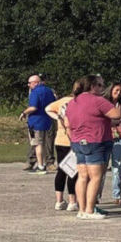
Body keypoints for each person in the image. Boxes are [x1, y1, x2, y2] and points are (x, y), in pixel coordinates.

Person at [66, 75, 121, 220]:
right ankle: (90, 210)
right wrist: (115, 105)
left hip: (77, 141)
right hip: (95, 141)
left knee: (82, 176)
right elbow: (117, 114)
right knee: (96, 177)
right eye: (100, 85)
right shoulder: (98, 100)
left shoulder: (73, 102)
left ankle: (82, 209)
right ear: (92, 86)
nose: (102, 89)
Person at [45, 82, 79, 211]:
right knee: (73, 171)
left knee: (61, 170)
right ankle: (72, 201)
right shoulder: (78, 103)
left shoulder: (63, 101)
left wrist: (58, 117)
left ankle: (59, 200)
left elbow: (48, 109)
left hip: (60, 140)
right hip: (73, 140)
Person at [20, 74, 57, 175]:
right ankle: (44, 163)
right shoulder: (49, 91)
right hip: (47, 120)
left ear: (35, 83)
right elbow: (54, 104)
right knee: (45, 143)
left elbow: (33, 107)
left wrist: (24, 113)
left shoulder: (35, 92)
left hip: (36, 121)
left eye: (30, 83)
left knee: (38, 144)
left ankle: (41, 166)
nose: (28, 85)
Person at [103, 82, 121, 205]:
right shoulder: (103, 103)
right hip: (105, 137)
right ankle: (96, 195)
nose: (118, 93)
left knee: (117, 167)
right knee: (101, 168)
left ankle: (117, 195)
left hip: (119, 136)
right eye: (117, 90)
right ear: (111, 90)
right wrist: (117, 121)